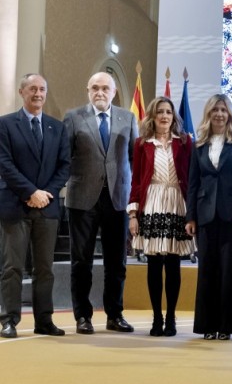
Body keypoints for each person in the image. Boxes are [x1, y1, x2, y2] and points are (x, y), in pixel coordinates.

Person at [64, 72, 137, 334]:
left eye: (105, 88)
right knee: (81, 261)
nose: (100, 93)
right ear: (88, 90)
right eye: (95, 88)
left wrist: (134, 201)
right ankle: (82, 316)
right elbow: (65, 156)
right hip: (82, 199)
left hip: (117, 199)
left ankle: (114, 315)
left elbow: (133, 160)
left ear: (114, 92)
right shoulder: (73, 118)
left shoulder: (128, 118)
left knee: (116, 262)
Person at [0, 74, 70, 338]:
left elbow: (64, 166)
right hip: (14, 206)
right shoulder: (5, 125)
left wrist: (46, 194)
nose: (38, 93)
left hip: (47, 208)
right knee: (12, 267)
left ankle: (44, 320)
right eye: (32, 89)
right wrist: (31, 192)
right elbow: (4, 164)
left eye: (42, 89)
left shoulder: (57, 127)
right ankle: (9, 320)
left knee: (44, 268)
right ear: (22, 92)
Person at [185, 94, 232, 340]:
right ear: (209, 114)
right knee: (207, 271)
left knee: (230, 271)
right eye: (215, 110)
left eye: (223, 110)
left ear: (230, 114)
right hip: (204, 215)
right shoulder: (199, 144)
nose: (219, 114)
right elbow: (193, 183)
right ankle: (207, 326)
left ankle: (226, 326)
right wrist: (190, 216)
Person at [127, 97, 194, 337]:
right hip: (152, 202)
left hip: (177, 201)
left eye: (168, 112)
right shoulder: (141, 143)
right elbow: (136, 180)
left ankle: (171, 317)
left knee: (173, 263)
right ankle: (157, 318)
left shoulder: (185, 142)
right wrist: (133, 214)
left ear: (174, 116)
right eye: (159, 113)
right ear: (152, 117)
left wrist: (192, 212)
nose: (164, 116)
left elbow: (192, 179)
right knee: (154, 263)